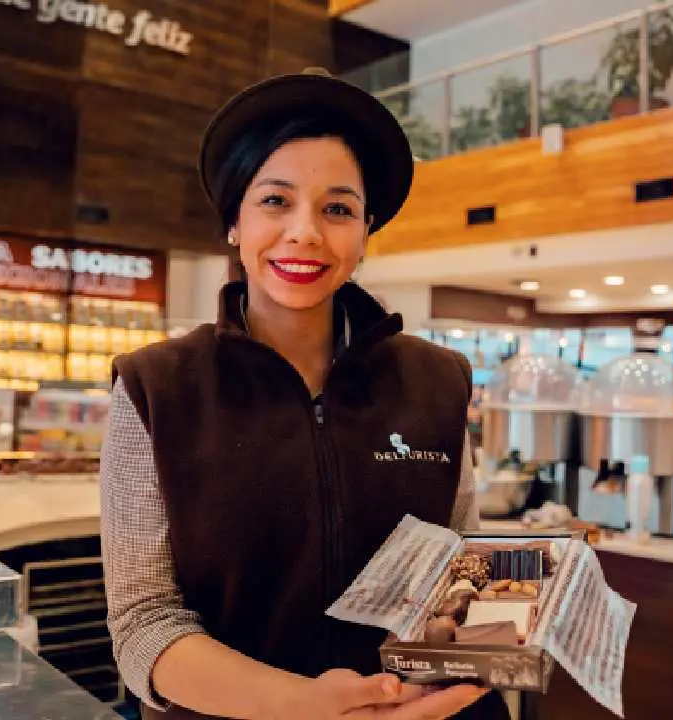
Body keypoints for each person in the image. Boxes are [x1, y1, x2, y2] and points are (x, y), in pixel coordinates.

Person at [102, 68, 504, 720]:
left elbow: (457, 574)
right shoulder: (155, 386)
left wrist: (473, 648)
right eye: (274, 201)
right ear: (234, 222)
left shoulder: (440, 380)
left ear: (366, 231)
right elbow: (143, 622)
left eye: (337, 209)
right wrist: (302, 705)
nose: (305, 232)